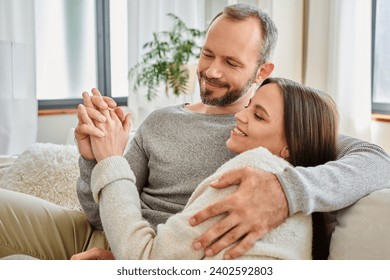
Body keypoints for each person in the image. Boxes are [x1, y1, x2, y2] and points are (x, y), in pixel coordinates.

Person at [0, 3, 389, 260]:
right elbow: (99, 214)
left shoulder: (279, 130)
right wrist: (93, 159)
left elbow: (378, 162)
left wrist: (287, 192)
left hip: (150, 253)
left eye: (231, 62)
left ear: (262, 71)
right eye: (207, 54)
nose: (212, 71)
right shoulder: (162, 120)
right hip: (105, 234)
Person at [72, 77, 338, 260]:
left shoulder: (254, 176)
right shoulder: (295, 198)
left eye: (258, 115)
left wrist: (110, 159)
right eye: (248, 106)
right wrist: (94, 159)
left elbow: (144, 260)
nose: (240, 115)